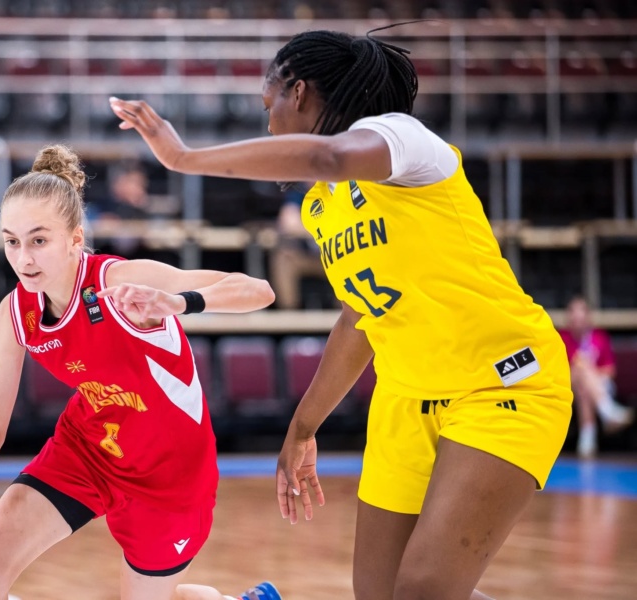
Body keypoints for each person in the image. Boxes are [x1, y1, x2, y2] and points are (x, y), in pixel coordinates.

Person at [110, 27, 573, 600]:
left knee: (423, 591)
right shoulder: (321, 205)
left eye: (269, 106)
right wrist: (303, 426)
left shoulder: (403, 140)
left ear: (299, 92)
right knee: (379, 594)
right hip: (407, 398)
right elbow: (360, 317)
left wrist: (183, 157)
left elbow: (329, 154)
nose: (268, 125)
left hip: (501, 381)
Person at [0, 145, 280, 600]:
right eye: (12, 241)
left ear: (75, 239)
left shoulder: (120, 282)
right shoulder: (15, 313)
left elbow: (259, 290)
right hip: (88, 450)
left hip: (170, 474)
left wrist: (179, 302)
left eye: (39, 241)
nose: (24, 258)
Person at [558, 296, 633, 458]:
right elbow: (562, 369)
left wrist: (590, 374)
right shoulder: (562, 338)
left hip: (601, 385)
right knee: (580, 370)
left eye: (581, 314)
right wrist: (584, 369)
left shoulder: (600, 337)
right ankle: (607, 410)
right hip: (570, 384)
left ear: (588, 317)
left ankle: (587, 442)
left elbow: (610, 371)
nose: (577, 319)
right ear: (569, 317)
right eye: (574, 314)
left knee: (585, 388)